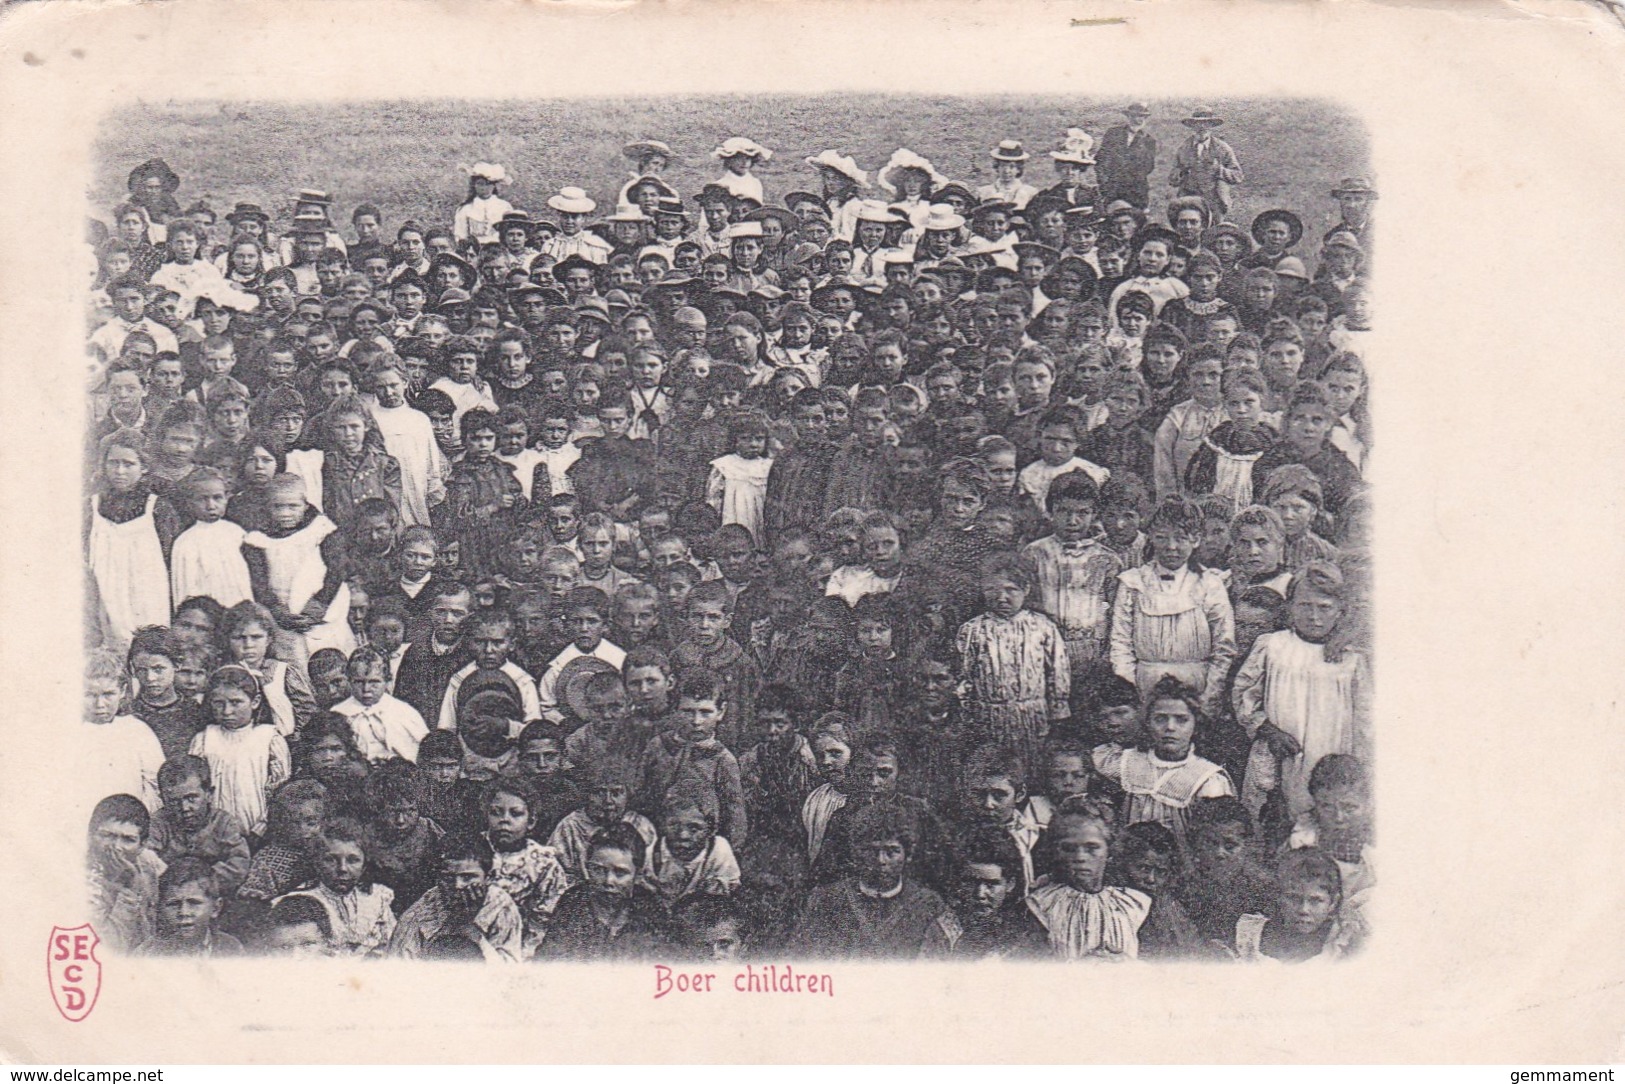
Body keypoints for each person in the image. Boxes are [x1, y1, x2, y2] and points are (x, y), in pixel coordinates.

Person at [1233, 560, 1371, 828]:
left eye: (1324, 608)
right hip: (1278, 752)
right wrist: (1266, 729)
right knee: (1271, 817)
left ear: (1341, 612)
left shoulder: (1350, 659)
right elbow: (1244, 695)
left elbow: (1365, 719)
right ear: (1290, 606)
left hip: (1330, 752)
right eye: (1305, 606)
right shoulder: (1273, 647)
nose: (1314, 617)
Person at [1108, 496, 1236, 714]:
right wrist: (1131, 692)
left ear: (1196, 540)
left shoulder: (1209, 583)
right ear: (1150, 538)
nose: (1171, 546)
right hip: (1145, 684)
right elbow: (1120, 644)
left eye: (1181, 538)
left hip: (1197, 684)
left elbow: (1224, 646)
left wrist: (1209, 695)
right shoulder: (1133, 583)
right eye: (1162, 538)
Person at [954, 551, 1071, 773]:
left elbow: (1058, 670)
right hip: (987, 718)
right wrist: (966, 712)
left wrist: (1058, 710)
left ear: (1026, 589)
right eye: (993, 590)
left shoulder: (1042, 627)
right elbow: (964, 676)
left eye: (1011, 590)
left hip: (1033, 717)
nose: (1002, 597)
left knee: (1030, 769)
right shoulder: (973, 630)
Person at [790, 802, 947, 958]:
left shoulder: (928, 904)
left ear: (908, 855)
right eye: (871, 851)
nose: (880, 860)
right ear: (855, 854)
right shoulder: (826, 901)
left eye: (892, 851)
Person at [1022, 798, 1151, 960]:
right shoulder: (1040, 907)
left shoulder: (1135, 905)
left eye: (1092, 848)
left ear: (1109, 851)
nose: (1080, 857)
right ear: (1055, 851)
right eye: (1069, 849)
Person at [188, 664, 292, 837]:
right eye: (219, 703)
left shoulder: (269, 739)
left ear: (255, 702)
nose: (227, 711)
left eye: (236, 703)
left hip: (259, 832)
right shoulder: (204, 739)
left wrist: (261, 829)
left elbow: (280, 790)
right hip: (213, 833)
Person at [388, 831, 525, 962]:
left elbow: (508, 970)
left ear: (488, 878)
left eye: (468, 877)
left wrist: (469, 930)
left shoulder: (500, 906)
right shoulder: (417, 916)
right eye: (448, 878)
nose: (457, 885)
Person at [1234, 847, 1365, 962]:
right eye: (1293, 898)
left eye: (1315, 901)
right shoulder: (1249, 937)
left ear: (1333, 903)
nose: (1304, 910)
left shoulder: (1341, 943)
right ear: (1278, 897)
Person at [148, 754, 252, 897]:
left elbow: (238, 863)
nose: (184, 807)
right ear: (162, 799)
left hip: (213, 894)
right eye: (173, 801)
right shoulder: (158, 823)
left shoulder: (224, 822)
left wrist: (204, 883)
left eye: (191, 798)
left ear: (209, 794)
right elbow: (146, 858)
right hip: (170, 893)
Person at [87, 794, 168, 952]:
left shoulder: (147, 862)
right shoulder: (80, 877)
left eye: (128, 839)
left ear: (142, 845)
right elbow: (107, 949)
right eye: (106, 836)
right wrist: (129, 885)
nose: (116, 847)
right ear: (91, 835)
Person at [138, 858, 244, 957]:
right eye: (174, 904)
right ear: (161, 908)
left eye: (194, 903)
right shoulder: (148, 953)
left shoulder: (231, 949)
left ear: (215, 908)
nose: (184, 912)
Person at [1168, 108, 1244, 218]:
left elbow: (1238, 176)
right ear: (1192, 126)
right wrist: (1181, 173)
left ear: (1211, 126)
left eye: (1206, 123)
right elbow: (1172, 179)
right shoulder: (1183, 148)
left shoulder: (1222, 148)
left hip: (1215, 200)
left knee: (1214, 231)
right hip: (1189, 199)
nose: (1202, 127)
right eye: (1198, 124)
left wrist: (1219, 170)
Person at [1096, 102, 1158, 211]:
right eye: (1136, 116)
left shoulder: (1148, 140)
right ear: (1129, 116)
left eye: (1143, 117)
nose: (1139, 120)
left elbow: (1148, 167)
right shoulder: (1113, 134)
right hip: (1112, 188)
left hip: (1136, 191)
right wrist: (1104, 183)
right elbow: (1100, 159)